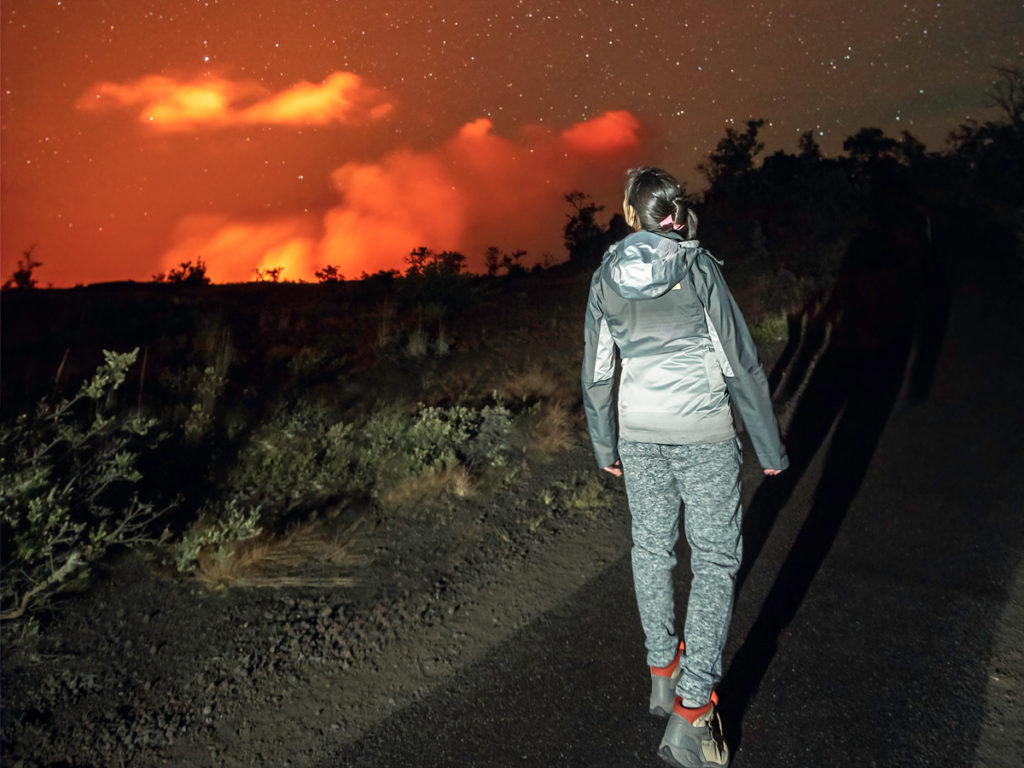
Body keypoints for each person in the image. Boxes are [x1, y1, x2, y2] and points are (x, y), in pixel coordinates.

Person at [581, 167, 787, 768]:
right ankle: (693, 714)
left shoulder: (603, 278)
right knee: (716, 562)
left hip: (640, 435)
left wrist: (604, 443)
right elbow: (738, 360)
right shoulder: (697, 268)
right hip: (702, 434)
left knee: (651, 552)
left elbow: (597, 371)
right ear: (674, 213)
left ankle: (663, 674)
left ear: (628, 215)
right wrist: (769, 448)